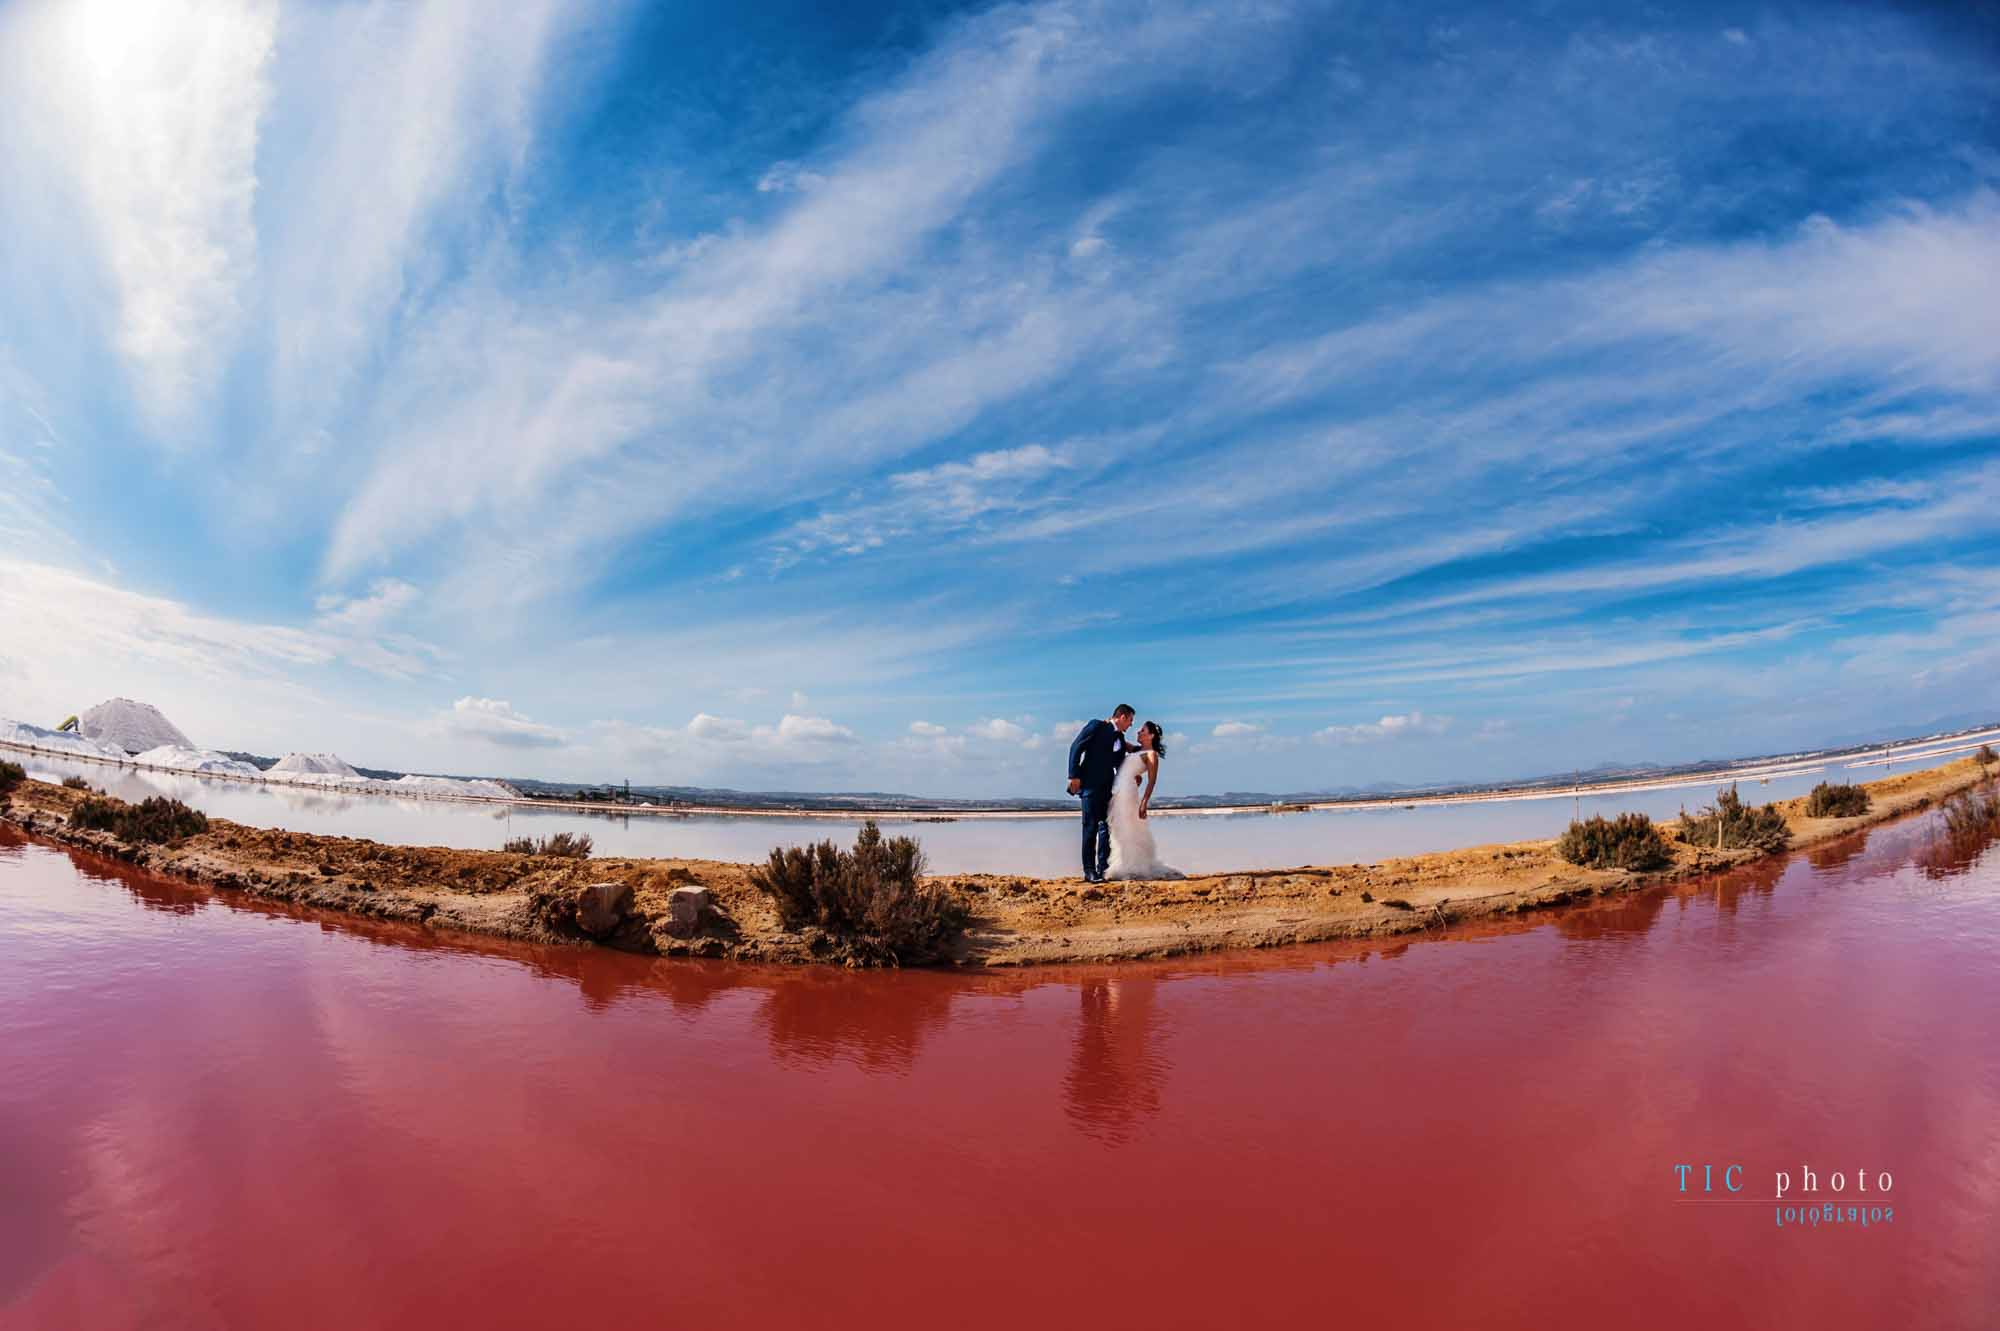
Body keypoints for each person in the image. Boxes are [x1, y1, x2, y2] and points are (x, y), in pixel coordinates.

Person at [1106, 722, 1182, 880]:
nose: (1138, 732)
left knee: (1129, 827)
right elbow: (1118, 737)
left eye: (1142, 730)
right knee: (1118, 828)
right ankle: (1121, 863)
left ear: (1151, 735)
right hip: (1118, 790)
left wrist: (1144, 802)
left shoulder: (1151, 754)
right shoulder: (1135, 749)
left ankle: (1132, 866)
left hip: (1128, 792)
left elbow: (1152, 781)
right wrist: (1109, 724)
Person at [1067, 705, 1133, 882]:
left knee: (1107, 826)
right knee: (1090, 827)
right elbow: (1076, 747)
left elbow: (1118, 762)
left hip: (1107, 787)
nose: (1131, 725)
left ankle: (1103, 867)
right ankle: (1089, 871)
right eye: (1130, 720)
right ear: (1122, 716)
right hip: (1089, 785)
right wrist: (1073, 776)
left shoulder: (1120, 737)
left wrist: (1131, 775)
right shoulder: (1096, 726)